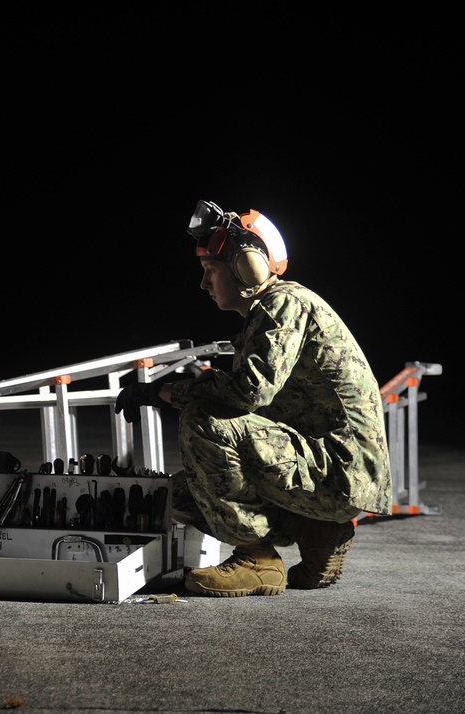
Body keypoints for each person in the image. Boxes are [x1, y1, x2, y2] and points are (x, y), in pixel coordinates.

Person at [115, 200, 391, 597]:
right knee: (180, 495)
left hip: (339, 470)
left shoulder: (285, 304)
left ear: (247, 267)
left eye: (211, 271)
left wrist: (169, 391)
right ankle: (315, 531)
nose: (204, 284)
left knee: (204, 421)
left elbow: (251, 391)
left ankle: (257, 559)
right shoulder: (267, 315)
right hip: (322, 466)